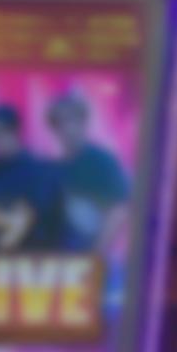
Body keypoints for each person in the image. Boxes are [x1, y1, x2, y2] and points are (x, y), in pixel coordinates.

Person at [47, 93, 130, 252]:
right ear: (54, 130)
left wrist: (96, 253)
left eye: (73, 120)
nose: (68, 128)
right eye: (60, 123)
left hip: (95, 255)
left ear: (84, 123)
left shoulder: (101, 160)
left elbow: (119, 209)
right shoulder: (54, 168)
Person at [0, 104, 63, 249]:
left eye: (2, 131)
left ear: (16, 131)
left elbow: (46, 219)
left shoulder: (40, 169)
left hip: (36, 252)